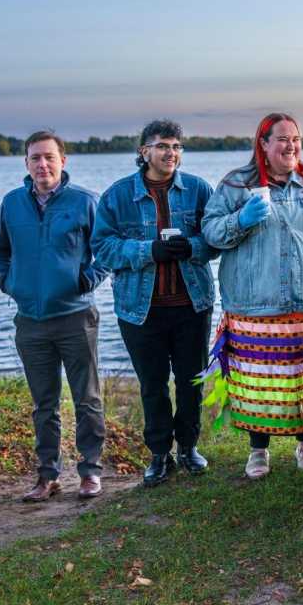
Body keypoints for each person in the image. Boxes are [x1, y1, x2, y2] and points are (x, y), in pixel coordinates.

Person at [200, 112, 303, 479]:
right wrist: (242, 220)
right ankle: (258, 450)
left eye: (295, 138)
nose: (291, 145)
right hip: (255, 303)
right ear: (263, 144)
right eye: (281, 139)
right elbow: (211, 235)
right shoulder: (235, 185)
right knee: (258, 382)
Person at [91, 120, 220, 487]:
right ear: (144, 151)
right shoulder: (117, 196)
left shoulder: (197, 190)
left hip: (191, 305)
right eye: (163, 146)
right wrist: (148, 250)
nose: (171, 153)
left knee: (191, 381)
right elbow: (102, 249)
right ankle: (159, 454)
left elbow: (215, 240)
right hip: (139, 309)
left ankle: (189, 447)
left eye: (177, 146)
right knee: (152, 384)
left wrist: (192, 247)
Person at [0, 130, 110, 501]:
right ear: (26, 163)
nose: (42, 164)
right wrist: (11, 284)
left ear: (63, 161)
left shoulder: (85, 202)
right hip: (30, 321)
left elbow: (104, 249)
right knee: (44, 404)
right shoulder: (12, 203)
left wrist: (85, 280)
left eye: (49, 157)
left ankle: (90, 472)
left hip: (75, 317)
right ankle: (47, 476)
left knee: (87, 399)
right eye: (35, 158)